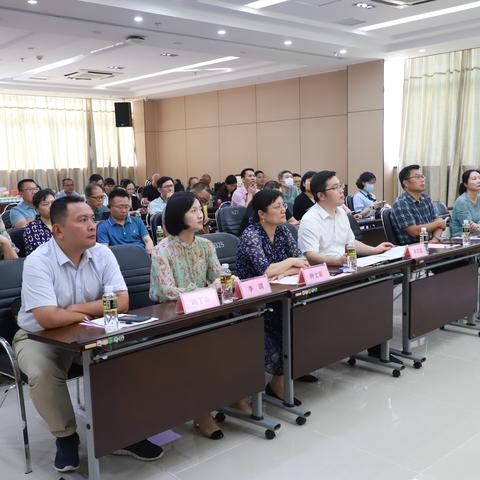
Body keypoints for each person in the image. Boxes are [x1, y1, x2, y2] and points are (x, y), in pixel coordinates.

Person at [13, 196, 163, 473]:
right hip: (41, 336)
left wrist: (73, 310)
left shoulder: (103, 253)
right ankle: (66, 437)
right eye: (82, 220)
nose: (92, 226)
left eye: (92, 219)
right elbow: (46, 317)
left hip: (94, 330)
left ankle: (122, 432)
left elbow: (122, 301)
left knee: (129, 357)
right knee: (41, 371)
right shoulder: (38, 261)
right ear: (58, 230)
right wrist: (87, 313)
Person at [150, 191, 249, 439]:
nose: (200, 214)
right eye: (193, 210)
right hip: (176, 318)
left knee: (241, 331)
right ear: (177, 216)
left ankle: (232, 393)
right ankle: (201, 412)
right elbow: (166, 291)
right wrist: (207, 289)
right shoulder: (162, 250)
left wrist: (228, 279)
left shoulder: (205, 245)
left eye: (200, 209)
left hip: (206, 311)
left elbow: (217, 275)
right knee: (201, 348)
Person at [237, 190, 309, 402]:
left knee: (303, 315)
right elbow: (264, 271)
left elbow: (302, 262)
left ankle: (281, 379)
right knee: (280, 321)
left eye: (283, 205)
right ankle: (269, 383)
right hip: (253, 301)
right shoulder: (251, 234)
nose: (283, 210)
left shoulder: (284, 231)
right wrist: (288, 265)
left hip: (278, 293)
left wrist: (282, 269)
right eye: (277, 206)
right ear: (262, 213)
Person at [298, 170, 393, 267]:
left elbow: (350, 243)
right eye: (335, 187)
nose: (341, 190)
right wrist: (338, 261)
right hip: (326, 272)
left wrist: (374, 250)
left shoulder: (341, 213)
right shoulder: (310, 220)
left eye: (340, 186)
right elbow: (311, 256)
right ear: (321, 195)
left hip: (346, 267)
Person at [391, 165, 446, 245]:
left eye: (422, 176)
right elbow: (414, 231)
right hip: (413, 248)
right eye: (417, 177)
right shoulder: (401, 203)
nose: (422, 180)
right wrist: (437, 223)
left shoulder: (426, 198)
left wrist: (435, 240)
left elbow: (439, 223)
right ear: (405, 183)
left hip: (431, 243)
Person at [97, 189, 153, 254]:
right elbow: (104, 251)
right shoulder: (103, 227)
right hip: (119, 261)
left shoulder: (137, 221)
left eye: (126, 207)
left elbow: (147, 240)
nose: (124, 210)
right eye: (120, 207)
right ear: (109, 207)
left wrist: (148, 254)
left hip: (141, 258)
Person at [23, 189, 55, 256]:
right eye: (45, 204)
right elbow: (40, 254)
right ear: (36, 208)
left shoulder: (65, 223)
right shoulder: (32, 228)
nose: (51, 206)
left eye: (53, 202)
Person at [451, 169, 480, 237]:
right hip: (462, 237)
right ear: (465, 184)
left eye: (479, 178)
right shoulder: (461, 201)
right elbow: (468, 227)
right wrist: (475, 226)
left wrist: (477, 225)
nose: (479, 181)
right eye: (474, 179)